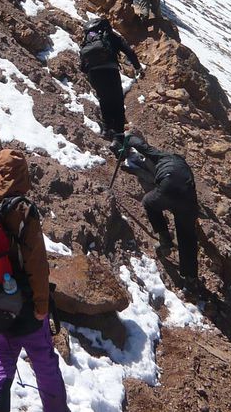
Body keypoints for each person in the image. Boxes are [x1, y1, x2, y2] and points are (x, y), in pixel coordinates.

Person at [0, 149, 69, 412]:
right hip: (26, 304)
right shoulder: (23, 211)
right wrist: (42, 307)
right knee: (43, 360)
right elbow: (37, 266)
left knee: (3, 358)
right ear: (22, 177)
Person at [114, 134, 200, 289]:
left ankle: (165, 239)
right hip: (187, 197)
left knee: (149, 202)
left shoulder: (163, 156)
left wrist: (128, 137)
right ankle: (190, 277)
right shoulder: (184, 167)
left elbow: (143, 146)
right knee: (187, 236)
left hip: (168, 185)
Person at [78, 17, 142, 138]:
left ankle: (107, 129)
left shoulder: (89, 38)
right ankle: (119, 133)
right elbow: (129, 51)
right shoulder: (111, 36)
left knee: (104, 99)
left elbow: (83, 59)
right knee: (117, 100)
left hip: (94, 73)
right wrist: (138, 67)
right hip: (110, 70)